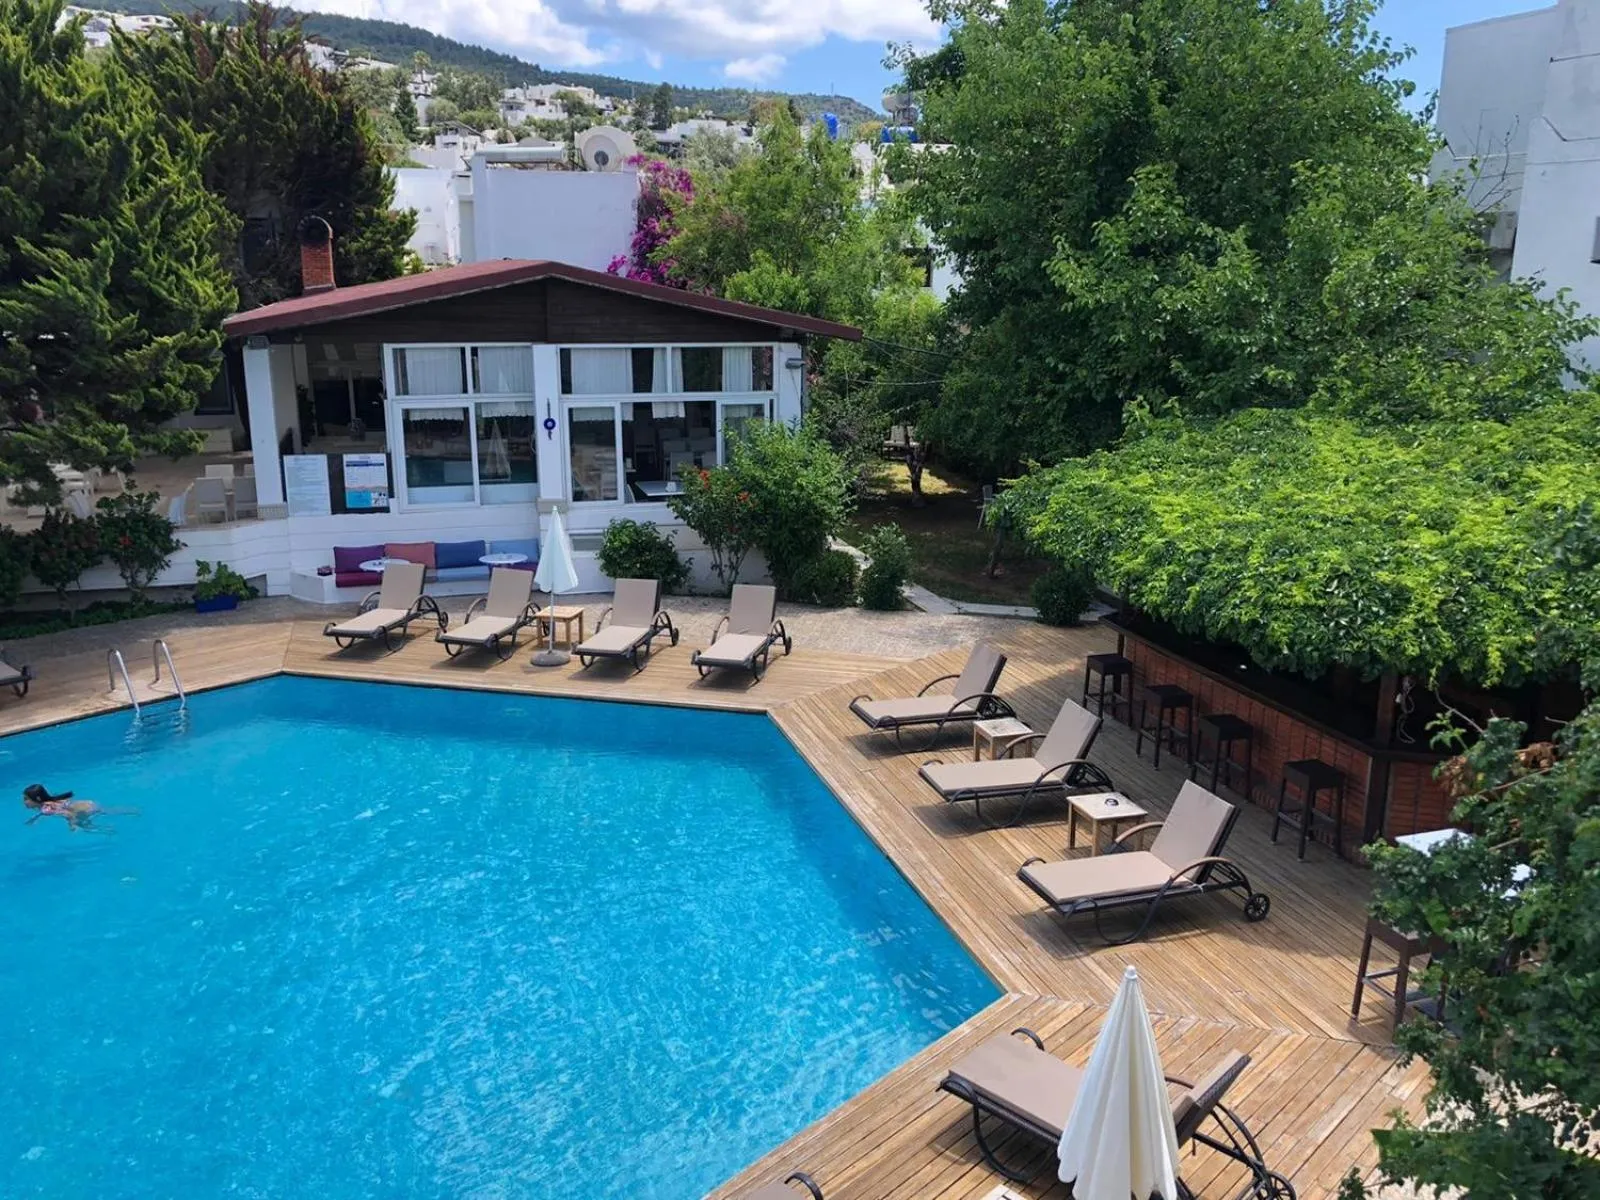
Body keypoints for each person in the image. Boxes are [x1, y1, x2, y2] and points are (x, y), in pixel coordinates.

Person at [22, 784, 136, 833]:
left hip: (84, 810)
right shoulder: (47, 805)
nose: (24, 802)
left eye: (26, 799)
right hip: (86, 804)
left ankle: (110, 830)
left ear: (36, 798)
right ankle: (131, 811)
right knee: (106, 811)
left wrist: (72, 825)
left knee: (87, 827)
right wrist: (35, 818)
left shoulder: (47, 808)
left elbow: (68, 815)